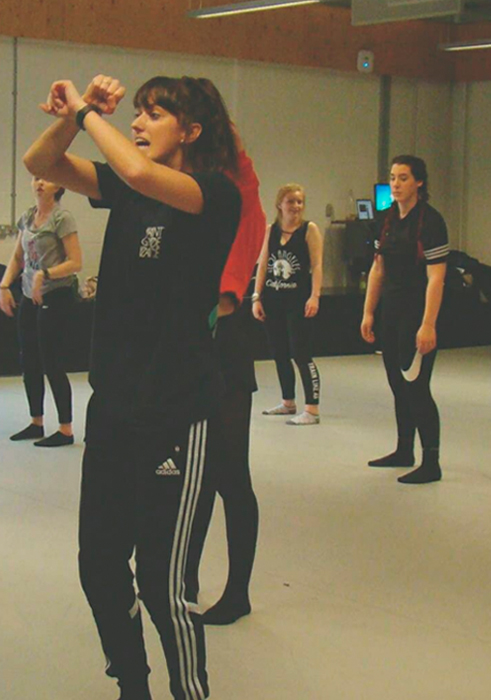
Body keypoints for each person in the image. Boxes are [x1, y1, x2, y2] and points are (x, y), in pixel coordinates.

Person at [23, 73, 241, 700]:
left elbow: (144, 175)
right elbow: (41, 160)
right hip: (116, 410)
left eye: (154, 114)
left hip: (178, 414)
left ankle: (188, 692)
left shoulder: (212, 195)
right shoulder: (123, 185)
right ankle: (133, 684)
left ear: (191, 131)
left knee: (163, 583)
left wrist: (90, 111)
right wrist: (69, 116)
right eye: (136, 113)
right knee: (99, 567)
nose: (139, 124)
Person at [188, 123, 265, 626]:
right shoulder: (191, 191)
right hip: (189, 346)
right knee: (191, 476)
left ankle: (237, 593)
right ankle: (183, 576)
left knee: (228, 475)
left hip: (224, 345)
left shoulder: (240, 197)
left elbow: (232, 274)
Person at [360, 155, 448, 484]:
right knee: (398, 385)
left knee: (416, 387)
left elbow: (437, 278)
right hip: (391, 313)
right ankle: (403, 449)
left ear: (419, 183)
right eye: (393, 178)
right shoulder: (385, 220)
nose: (396, 184)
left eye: (404, 178)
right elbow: (378, 269)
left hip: (417, 312)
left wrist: (428, 324)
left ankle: (431, 461)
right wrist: (369, 312)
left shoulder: (431, 222)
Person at [0, 176, 82, 446]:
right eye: (36, 178)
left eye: (46, 179)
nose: (39, 183)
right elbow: (17, 258)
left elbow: (76, 262)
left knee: (51, 361)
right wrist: (4, 286)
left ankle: (66, 429)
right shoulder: (27, 217)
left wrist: (45, 274)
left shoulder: (62, 219)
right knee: (29, 360)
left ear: (59, 186)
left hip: (55, 295)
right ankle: (36, 422)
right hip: (27, 294)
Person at [252, 184, 323, 426]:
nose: (295, 206)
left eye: (299, 202)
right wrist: (256, 297)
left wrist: (315, 296)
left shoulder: (308, 230)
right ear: (279, 204)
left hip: (298, 301)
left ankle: (312, 409)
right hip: (273, 300)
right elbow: (262, 265)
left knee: (301, 354)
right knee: (279, 353)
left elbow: (317, 265)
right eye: (291, 201)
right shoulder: (270, 231)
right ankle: (287, 401)